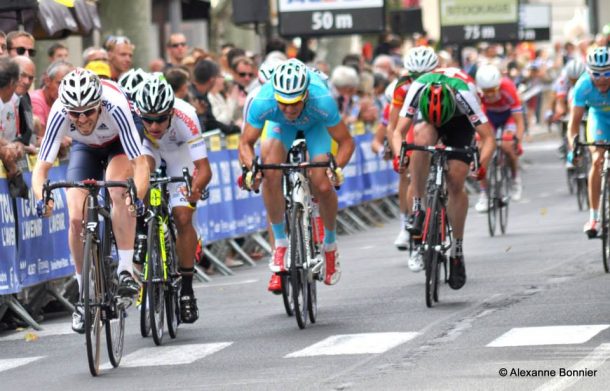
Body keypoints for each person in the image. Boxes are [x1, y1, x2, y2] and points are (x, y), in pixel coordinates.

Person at [31, 68, 149, 333]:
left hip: (119, 141)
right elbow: (41, 169)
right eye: (75, 114)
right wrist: (43, 199)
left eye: (89, 112)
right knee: (75, 218)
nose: (82, 119)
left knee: (117, 190)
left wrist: (137, 197)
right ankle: (84, 297)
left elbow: (140, 164)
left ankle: (126, 269)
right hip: (86, 147)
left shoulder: (115, 106)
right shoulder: (60, 111)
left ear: (99, 105)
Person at [239, 59, 355, 292]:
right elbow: (245, 142)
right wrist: (252, 168)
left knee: (322, 185)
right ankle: (281, 244)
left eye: (295, 104)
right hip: (281, 127)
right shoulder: (264, 100)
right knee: (270, 171)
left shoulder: (321, 98)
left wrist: (336, 168)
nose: (290, 110)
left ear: (305, 95)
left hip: (315, 126)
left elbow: (346, 142)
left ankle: (330, 246)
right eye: (284, 104)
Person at [392, 72, 495, 290]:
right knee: (419, 142)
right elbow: (397, 132)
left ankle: (456, 251)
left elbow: (488, 138)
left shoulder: (465, 93)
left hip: (459, 122)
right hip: (428, 117)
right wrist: (398, 156)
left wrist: (481, 164)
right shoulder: (418, 88)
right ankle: (418, 208)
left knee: (456, 179)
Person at [133, 75, 212, 323]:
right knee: (141, 177)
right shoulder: (133, 117)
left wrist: (194, 189)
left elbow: (204, 169)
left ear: (171, 112)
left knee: (182, 217)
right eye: (148, 119)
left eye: (160, 119)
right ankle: (144, 231)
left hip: (180, 155)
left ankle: (187, 289)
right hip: (149, 149)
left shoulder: (186, 115)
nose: (154, 125)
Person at [387, 46, 439, 260]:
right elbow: (393, 127)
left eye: (425, 75)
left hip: (436, 123)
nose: (420, 80)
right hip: (410, 125)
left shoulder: (445, 80)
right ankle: (410, 221)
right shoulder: (403, 86)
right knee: (408, 172)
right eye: (416, 75)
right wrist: (399, 154)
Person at [567, 47, 610, 238]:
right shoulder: (583, 85)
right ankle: (594, 216)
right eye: (596, 74)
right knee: (597, 159)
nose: (602, 79)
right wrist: (573, 147)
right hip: (598, 118)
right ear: (588, 72)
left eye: (607, 73)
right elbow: (574, 124)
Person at [474, 64, 526, 211]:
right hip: (489, 116)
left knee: (507, 145)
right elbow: (475, 117)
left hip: (508, 116)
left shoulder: (508, 88)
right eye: (486, 91)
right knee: (480, 151)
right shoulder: (477, 93)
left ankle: (516, 178)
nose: (489, 95)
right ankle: (484, 193)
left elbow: (519, 121)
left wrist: (518, 141)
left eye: (492, 90)